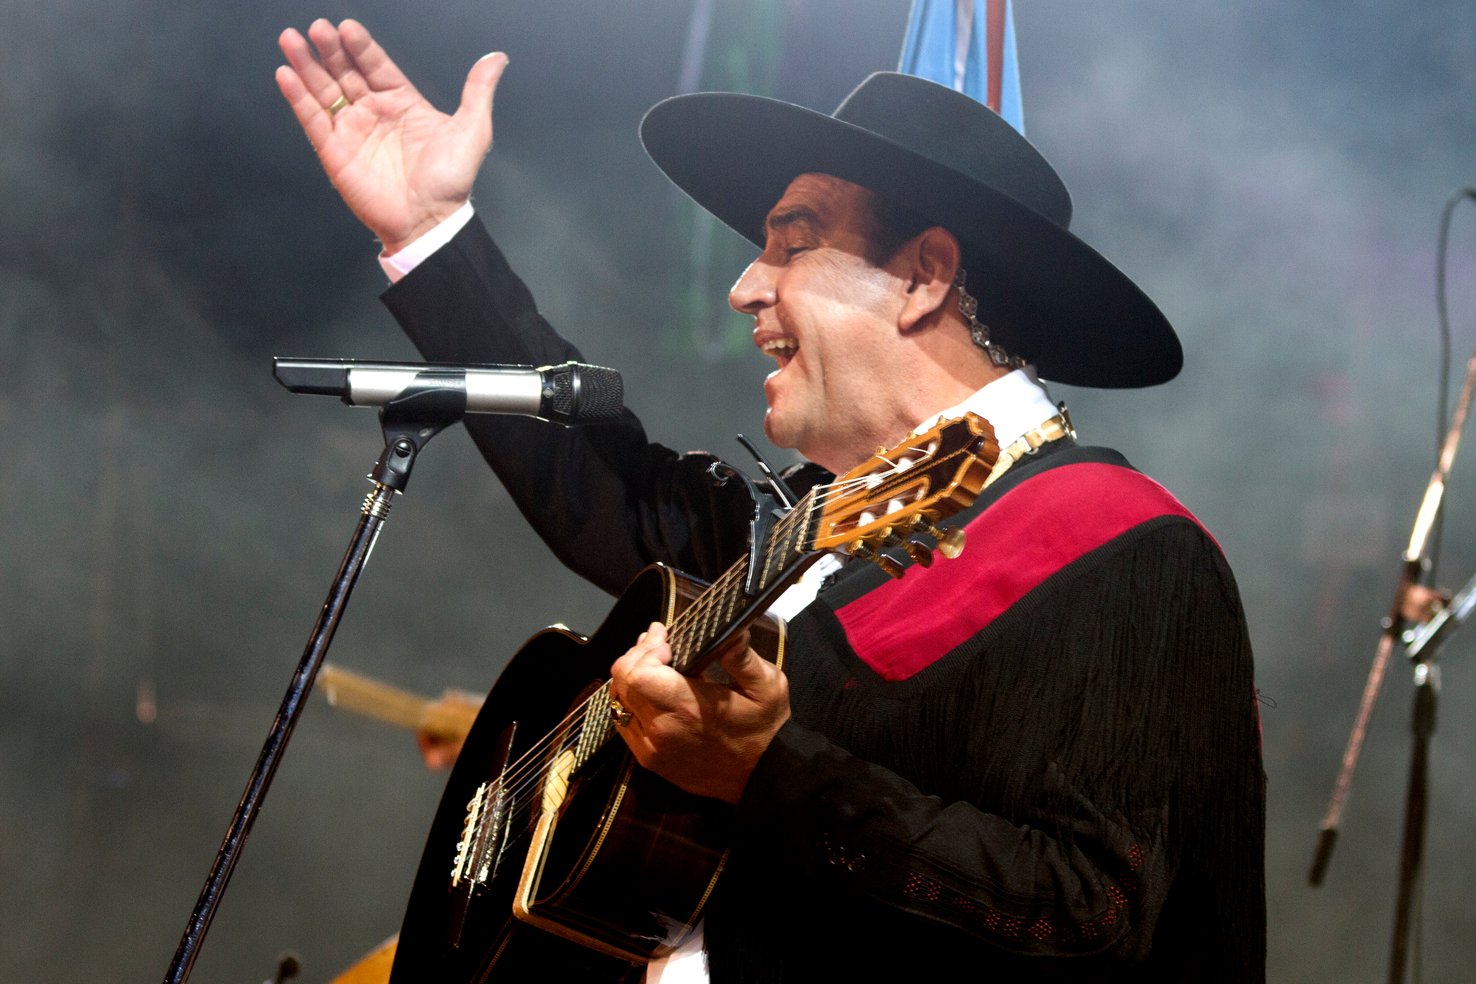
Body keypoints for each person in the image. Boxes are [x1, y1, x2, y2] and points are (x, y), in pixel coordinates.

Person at [276, 18, 1266, 982]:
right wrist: (429, 232)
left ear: (923, 277)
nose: (746, 286)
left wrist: (771, 773)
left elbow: (1094, 917)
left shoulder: (1122, 547)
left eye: (793, 244)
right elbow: (600, 484)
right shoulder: (800, 528)